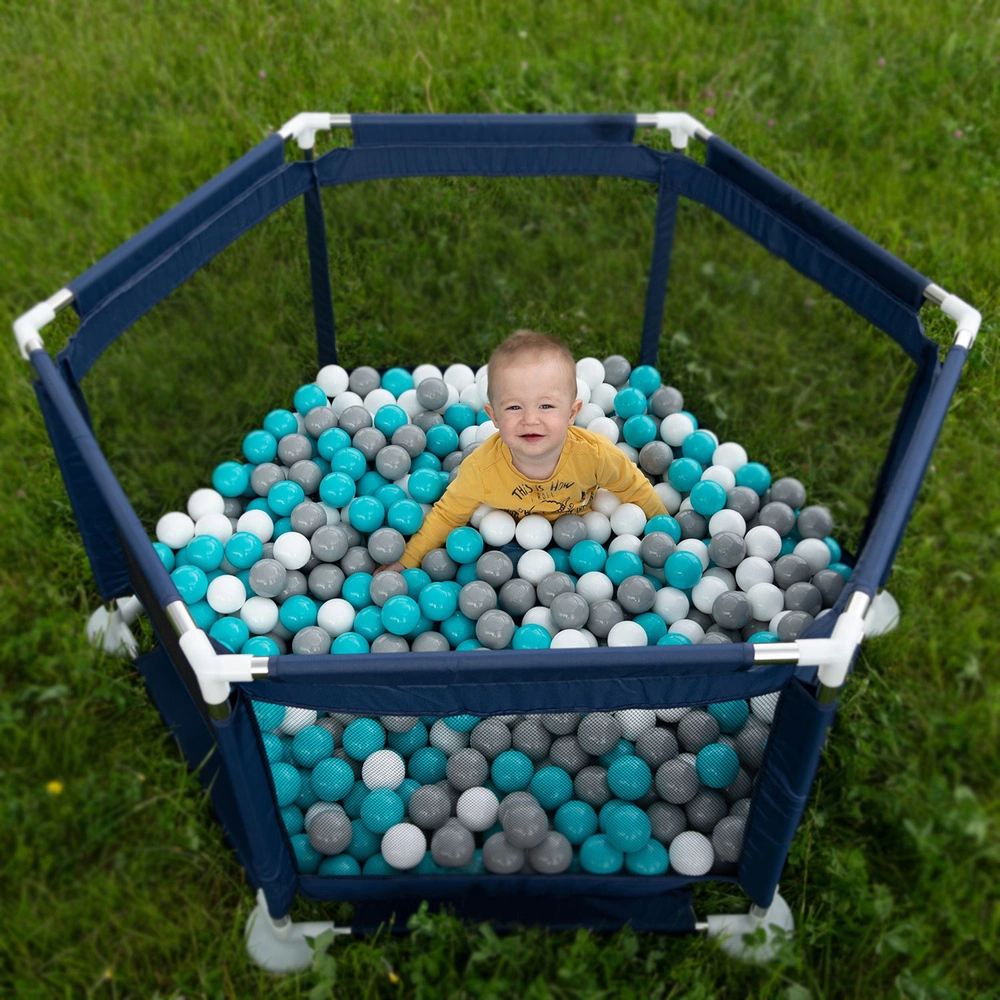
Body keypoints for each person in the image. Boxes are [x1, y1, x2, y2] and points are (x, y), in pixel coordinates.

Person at [380, 330, 667, 571]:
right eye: (515, 407)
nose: (531, 419)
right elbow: (447, 515)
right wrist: (407, 561)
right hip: (512, 548)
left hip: (589, 541)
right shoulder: (482, 471)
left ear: (572, 413)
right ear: (493, 416)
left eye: (546, 406)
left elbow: (634, 488)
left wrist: (664, 534)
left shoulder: (595, 455)